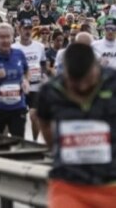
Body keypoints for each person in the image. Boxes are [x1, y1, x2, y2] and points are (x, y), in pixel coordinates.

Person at [37, 43, 116, 207]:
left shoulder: (112, 83)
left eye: (87, 79)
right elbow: (44, 123)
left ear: (96, 66)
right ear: (64, 70)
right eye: (75, 81)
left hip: (111, 185)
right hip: (68, 186)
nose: (82, 86)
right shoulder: (49, 91)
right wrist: (58, 149)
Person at [12, 18, 48, 141]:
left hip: (36, 86)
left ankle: (35, 140)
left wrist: (44, 76)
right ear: (19, 30)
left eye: (29, 29)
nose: (27, 32)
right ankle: (17, 139)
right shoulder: (14, 48)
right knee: (19, 116)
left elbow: (43, 64)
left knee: (34, 115)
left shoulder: (39, 47)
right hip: (20, 86)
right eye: (25, 29)